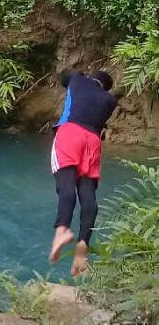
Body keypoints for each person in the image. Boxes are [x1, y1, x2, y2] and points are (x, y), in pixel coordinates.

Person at [49, 70, 118, 276]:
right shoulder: (110, 100)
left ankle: (62, 230)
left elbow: (64, 77)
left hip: (71, 133)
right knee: (88, 198)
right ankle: (82, 247)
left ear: (91, 78)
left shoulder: (78, 80)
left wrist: (81, 74)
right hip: (93, 141)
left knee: (66, 185)